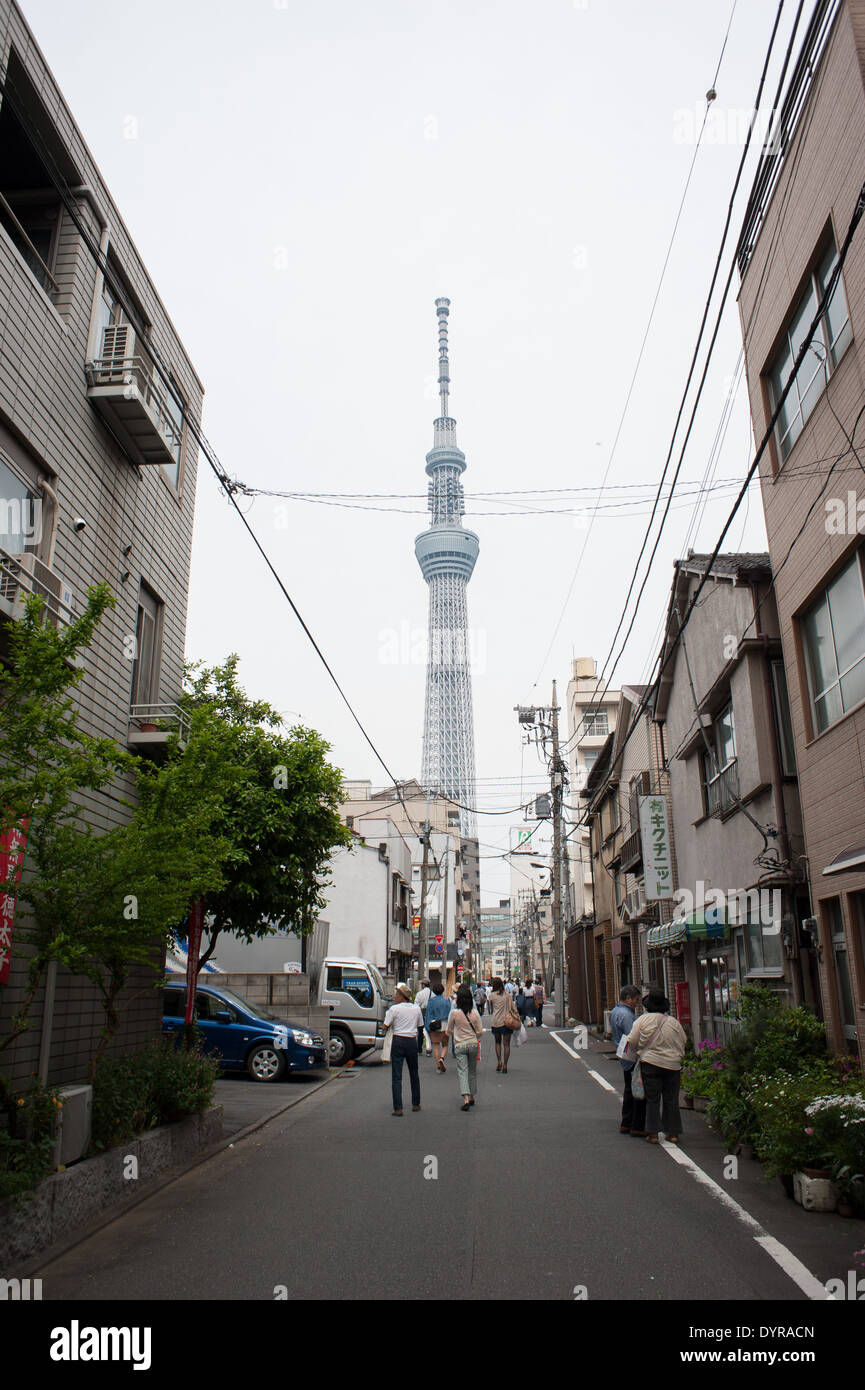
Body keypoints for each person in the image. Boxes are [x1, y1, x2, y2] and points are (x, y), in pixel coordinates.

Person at [624, 990, 688, 1144]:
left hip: (651, 1064)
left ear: (648, 1006)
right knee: (671, 1099)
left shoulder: (642, 1020)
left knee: (653, 1099)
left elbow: (631, 1041)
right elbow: (684, 1040)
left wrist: (640, 1049)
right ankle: (673, 1133)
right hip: (672, 1065)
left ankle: (653, 1133)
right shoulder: (673, 1022)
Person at [609, 985, 646, 1137]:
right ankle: (635, 1125)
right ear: (628, 998)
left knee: (629, 1089)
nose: (636, 1003)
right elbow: (633, 1038)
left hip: (622, 1054)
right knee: (637, 1090)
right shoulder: (627, 1015)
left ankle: (626, 1122)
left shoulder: (615, 1011)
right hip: (631, 1055)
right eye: (636, 1000)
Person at [383, 983, 425, 1116]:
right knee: (414, 1073)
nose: (395, 997)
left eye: (397, 994)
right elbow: (420, 1025)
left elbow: (385, 1026)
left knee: (397, 1075)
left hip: (398, 1040)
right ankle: (416, 1103)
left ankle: (398, 1108)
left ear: (402, 997)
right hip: (411, 1041)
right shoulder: (416, 1008)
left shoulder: (394, 1009)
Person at [447, 983, 483, 1110]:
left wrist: (455, 1034)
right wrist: (475, 1036)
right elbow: (480, 1030)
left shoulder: (455, 1013)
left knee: (462, 1071)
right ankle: (472, 1096)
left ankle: (466, 1099)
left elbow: (449, 1030)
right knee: (472, 1072)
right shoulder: (474, 1013)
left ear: (458, 999)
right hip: (473, 1044)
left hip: (460, 1044)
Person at [488, 976, 515, 1073]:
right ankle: (505, 1065)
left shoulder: (492, 995)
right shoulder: (507, 995)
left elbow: (491, 1008)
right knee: (506, 1044)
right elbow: (512, 1007)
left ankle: (499, 1061)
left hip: (496, 1021)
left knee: (497, 1042)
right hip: (507, 1021)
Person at [426, 981, 452, 1072]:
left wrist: (427, 1027)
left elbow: (428, 1014)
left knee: (436, 1046)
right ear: (442, 991)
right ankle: (442, 1058)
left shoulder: (431, 1001)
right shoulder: (447, 1001)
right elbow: (450, 1014)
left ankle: (438, 1066)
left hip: (434, 1025)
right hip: (445, 1024)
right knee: (445, 1045)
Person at [414, 978, 432, 1055]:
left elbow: (416, 1005)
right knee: (430, 1031)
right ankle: (429, 1048)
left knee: (420, 1031)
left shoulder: (419, 994)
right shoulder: (433, 993)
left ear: (423, 985)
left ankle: (419, 1049)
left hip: (421, 1012)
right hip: (431, 1013)